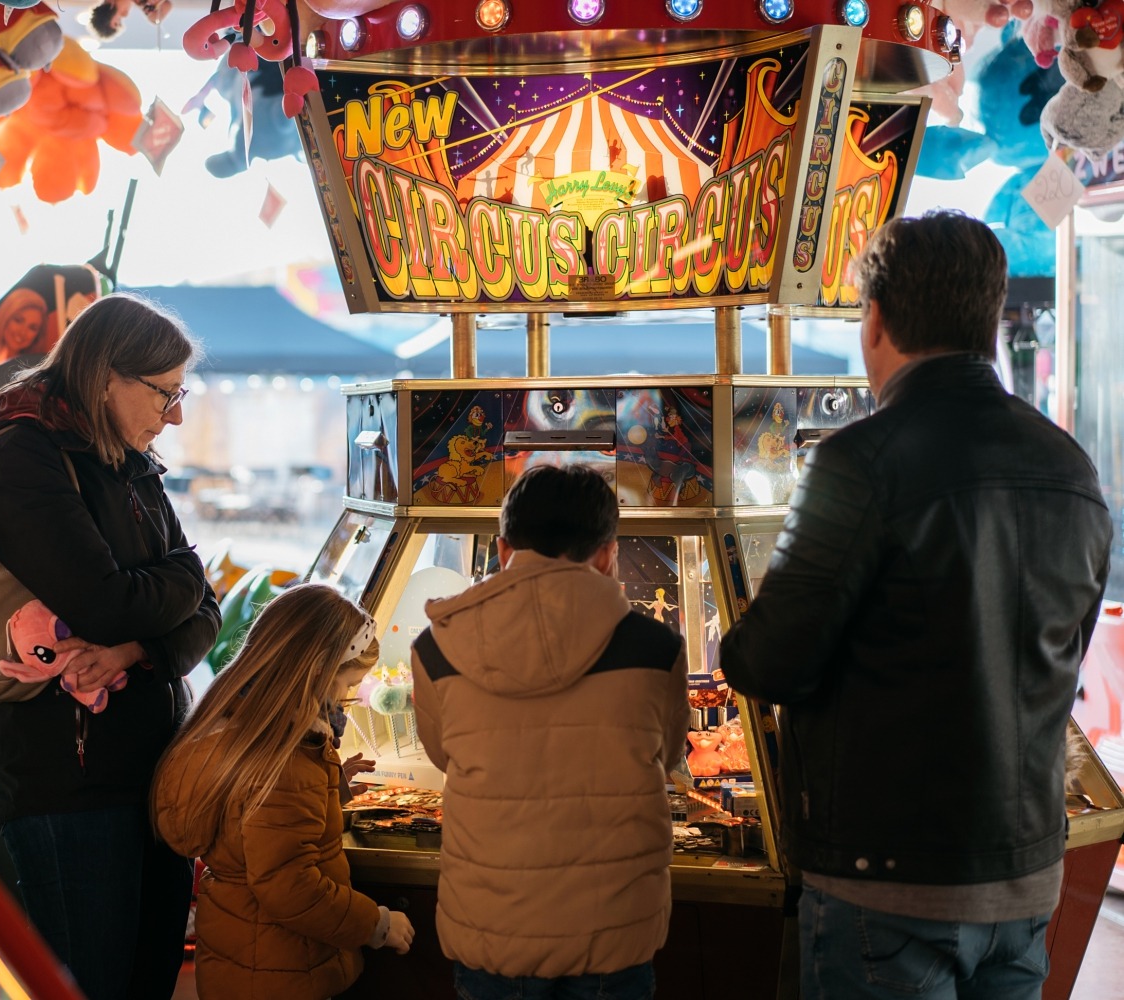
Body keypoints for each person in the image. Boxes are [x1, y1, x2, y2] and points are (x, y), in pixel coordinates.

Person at [719, 211, 1113, 1000]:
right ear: (990, 320)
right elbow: (1063, 651)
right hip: (1028, 871)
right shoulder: (1069, 466)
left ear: (875, 320)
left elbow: (763, 660)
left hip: (888, 884)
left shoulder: (859, 463)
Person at [0, 292, 221, 1000]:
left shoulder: (128, 459)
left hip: (152, 773)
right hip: (70, 782)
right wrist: (177, 579)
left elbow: (207, 611)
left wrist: (135, 651)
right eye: (165, 394)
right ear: (108, 375)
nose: (174, 415)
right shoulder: (25, 455)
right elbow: (106, 601)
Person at [411, 464, 688, 1000]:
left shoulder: (435, 648)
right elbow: (669, 753)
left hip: (492, 930)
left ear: (502, 548)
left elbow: (444, 756)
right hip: (612, 931)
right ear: (608, 553)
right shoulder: (657, 649)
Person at [152, 583, 415, 1000]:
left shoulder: (248, 729)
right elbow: (288, 886)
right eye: (347, 685)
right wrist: (377, 925)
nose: (346, 699)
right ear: (316, 674)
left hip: (247, 959)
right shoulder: (284, 761)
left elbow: (263, 828)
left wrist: (332, 783)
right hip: (284, 969)